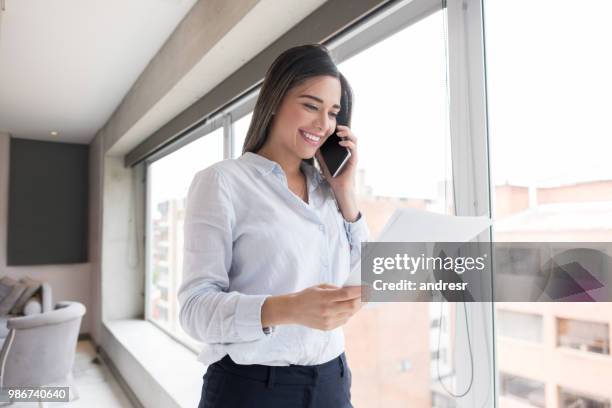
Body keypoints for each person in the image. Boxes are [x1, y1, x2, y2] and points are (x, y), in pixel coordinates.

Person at [178, 43, 369, 408]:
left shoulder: (330, 193)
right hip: (252, 387)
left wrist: (346, 193)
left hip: (332, 380)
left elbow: (370, 279)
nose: (323, 124)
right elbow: (194, 310)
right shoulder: (223, 182)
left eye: (332, 113)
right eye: (311, 105)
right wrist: (289, 308)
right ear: (276, 99)